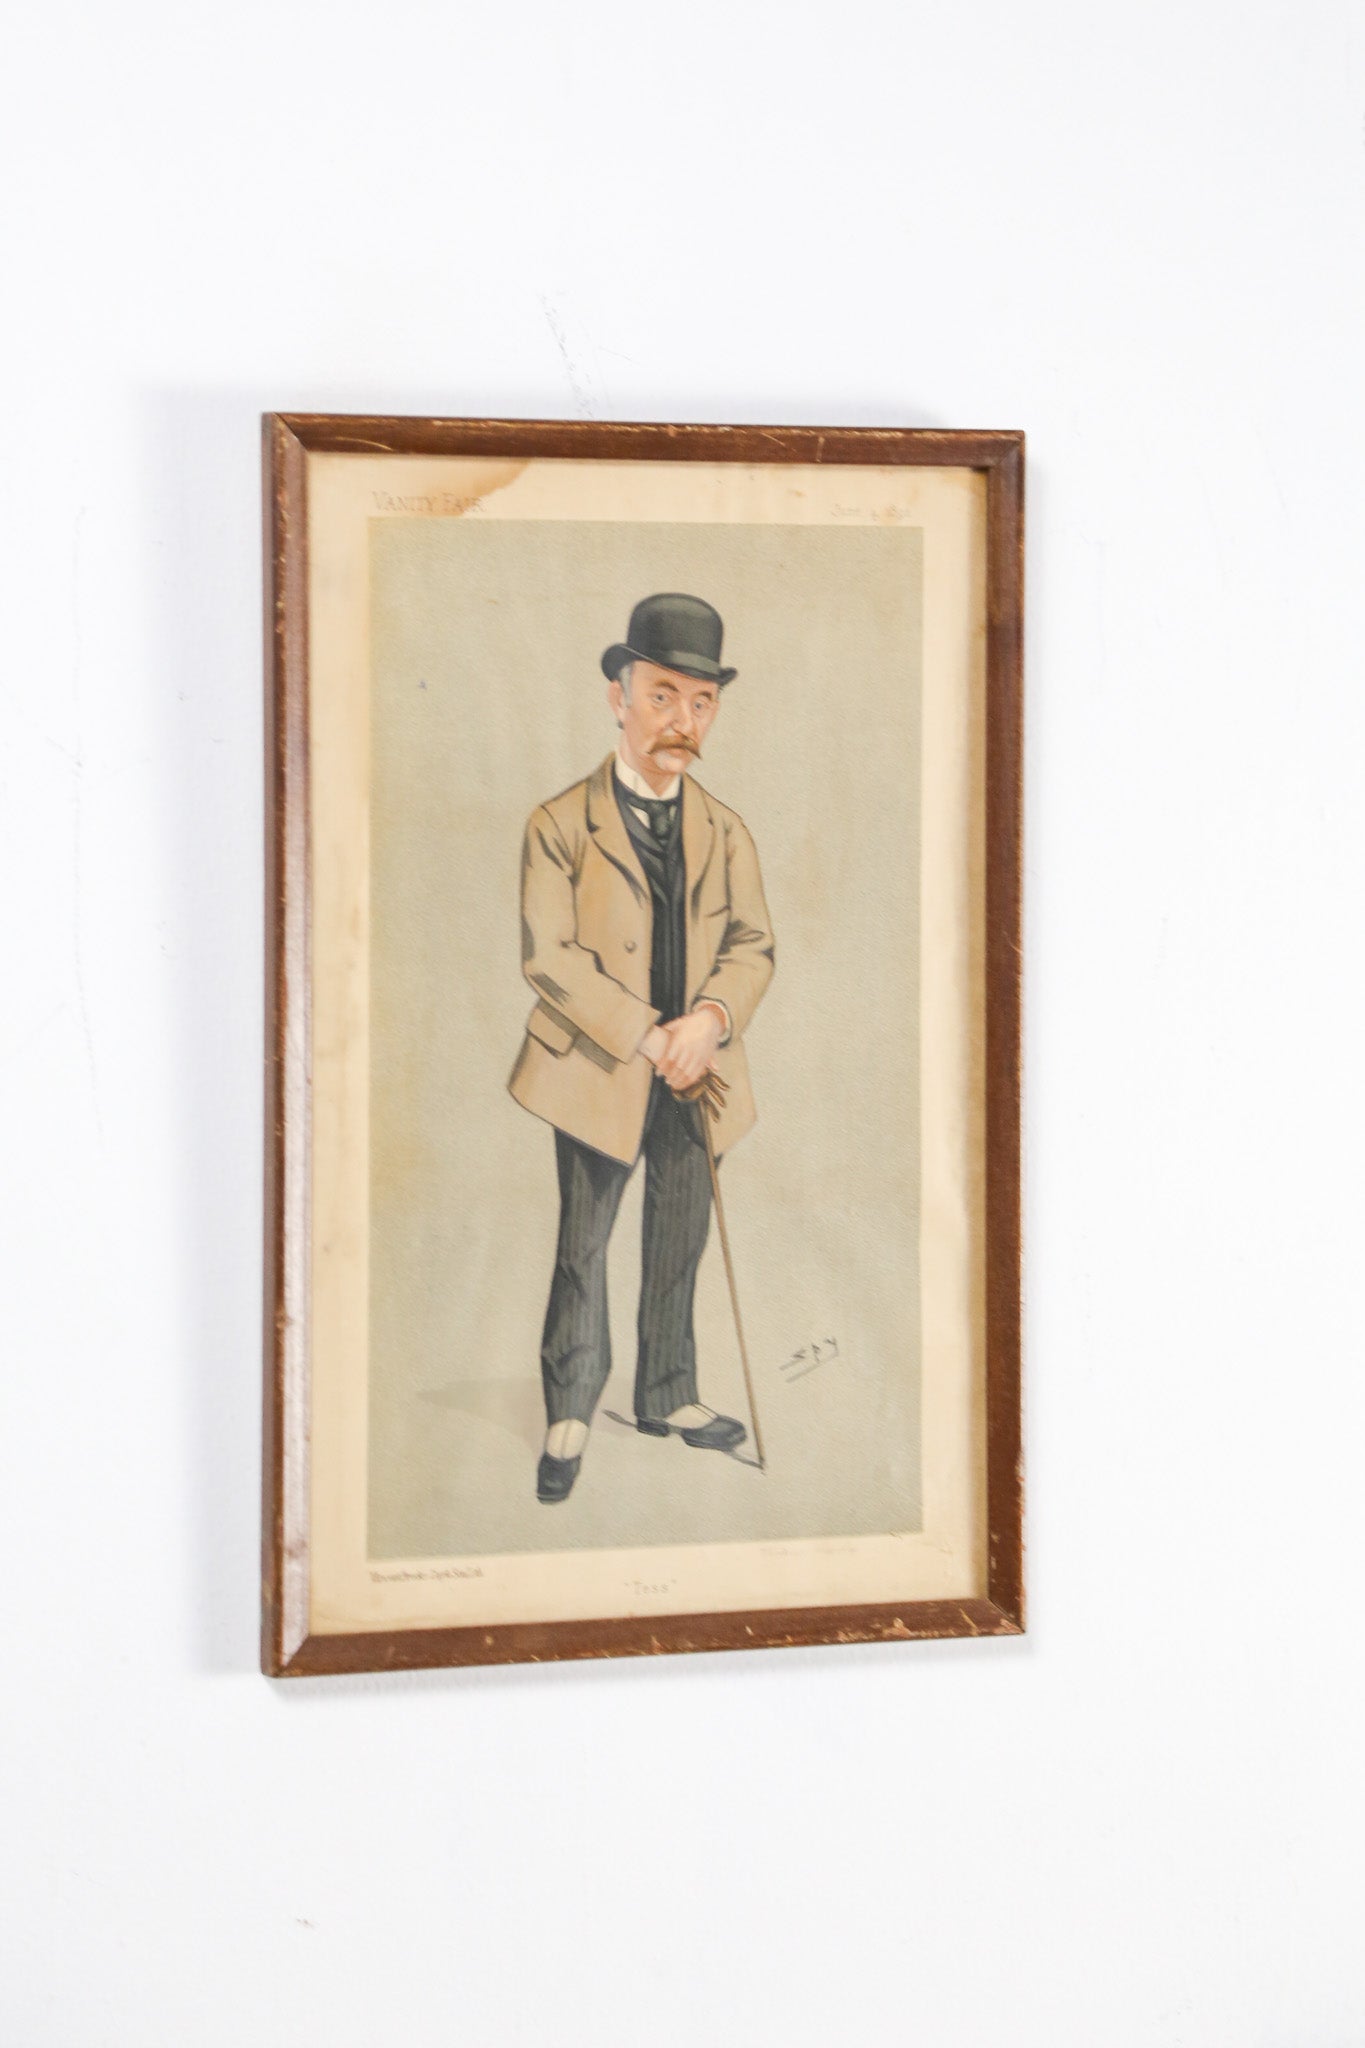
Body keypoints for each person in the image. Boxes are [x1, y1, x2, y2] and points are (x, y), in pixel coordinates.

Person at [508, 592, 776, 1502]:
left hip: (698, 1072)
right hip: (596, 1069)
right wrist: (647, 1032)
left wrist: (708, 1021)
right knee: (583, 1245)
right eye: (663, 697)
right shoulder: (557, 823)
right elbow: (550, 959)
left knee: (679, 1236)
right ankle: (570, 1411)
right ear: (618, 697)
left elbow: (753, 945)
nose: (682, 722)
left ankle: (668, 1392)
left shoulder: (726, 830)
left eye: (702, 703)